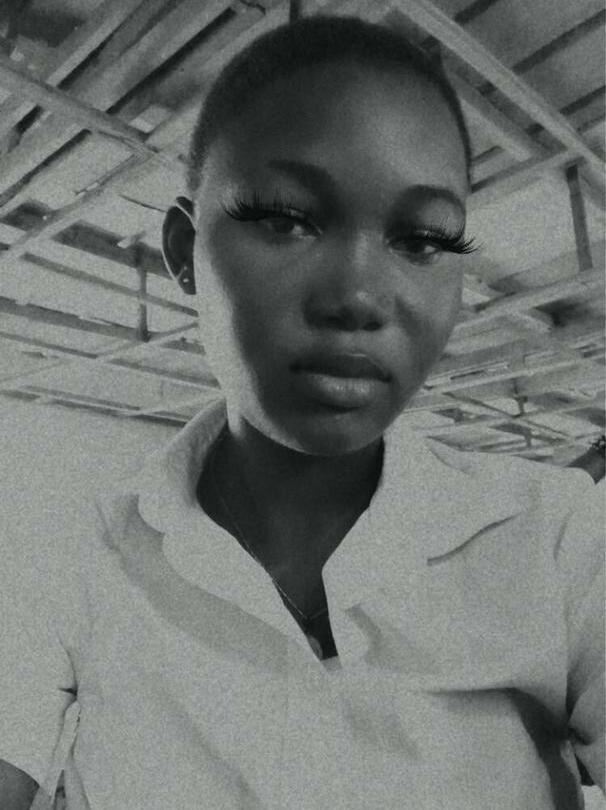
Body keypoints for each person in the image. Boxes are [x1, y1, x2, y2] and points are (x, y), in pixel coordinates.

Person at [1, 14, 604, 810]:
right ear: (184, 253)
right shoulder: (74, 559)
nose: (358, 296)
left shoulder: (558, 543)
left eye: (423, 239)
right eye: (286, 220)